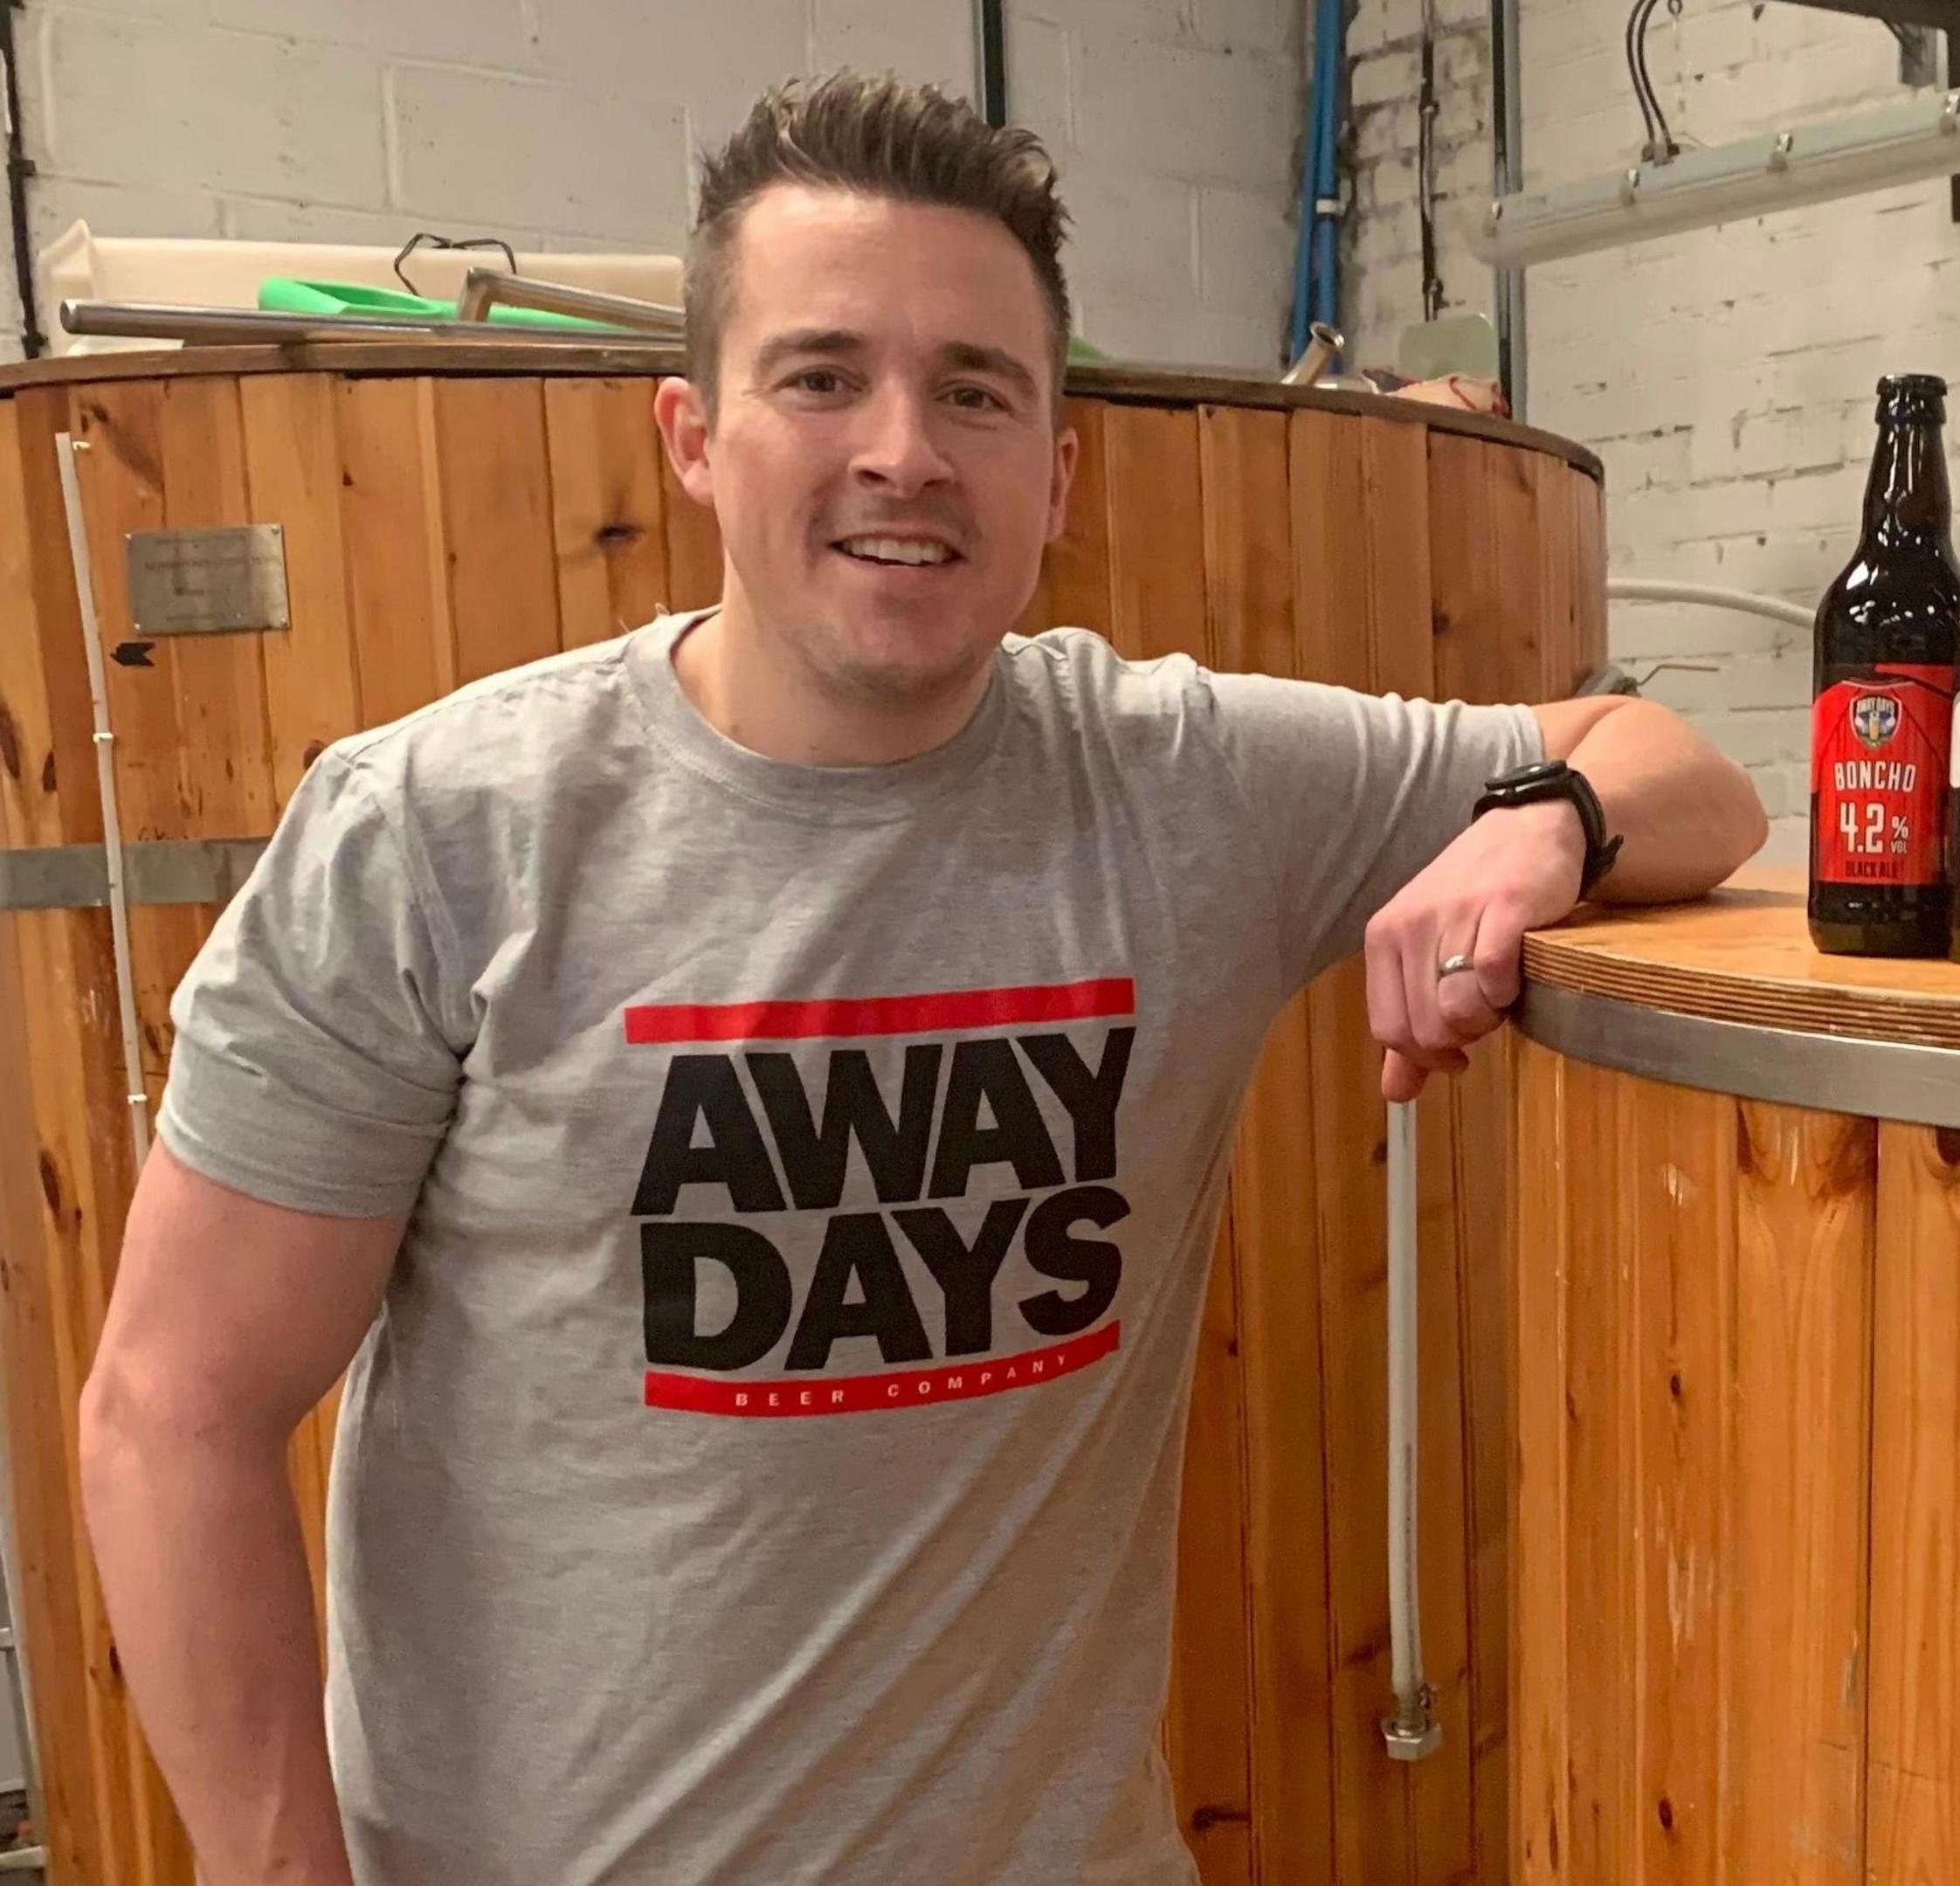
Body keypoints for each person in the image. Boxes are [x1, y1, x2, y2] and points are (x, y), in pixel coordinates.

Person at [74, 74, 1762, 1886]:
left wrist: (1542, 826)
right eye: (821, 378)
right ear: (692, 437)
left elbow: (1687, 772)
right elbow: (172, 1412)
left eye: (977, 390)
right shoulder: (437, 832)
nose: (906, 449)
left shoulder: (1180, 779)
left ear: (1058, 471)